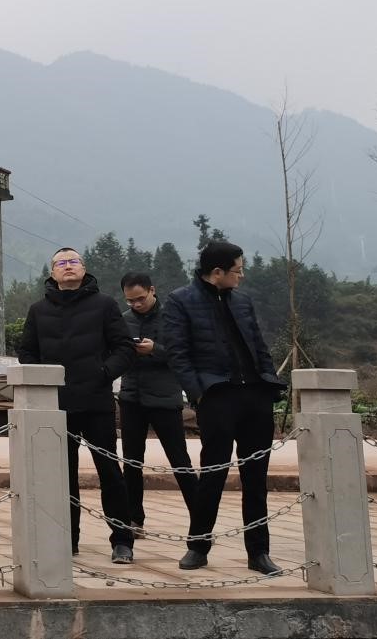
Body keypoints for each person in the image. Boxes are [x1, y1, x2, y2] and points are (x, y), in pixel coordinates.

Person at [161, 241, 287, 576]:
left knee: (256, 478)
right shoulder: (180, 301)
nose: (241, 276)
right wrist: (199, 394)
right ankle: (198, 546)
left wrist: (269, 382)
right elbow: (177, 353)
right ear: (217, 272)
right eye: (237, 270)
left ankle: (259, 552)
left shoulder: (243, 301)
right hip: (216, 396)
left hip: (255, 396)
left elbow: (259, 346)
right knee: (213, 474)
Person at [18, 247, 137, 563]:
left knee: (110, 473)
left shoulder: (105, 305)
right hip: (56, 406)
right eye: (61, 263)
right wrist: (44, 380)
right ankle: (66, 540)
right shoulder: (38, 310)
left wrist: (104, 373)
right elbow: (26, 352)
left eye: (73, 261)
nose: (68, 266)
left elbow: (124, 348)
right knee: (61, 477)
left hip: (96, 402)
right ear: (52, 272)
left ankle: (122, 541)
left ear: (84, 269)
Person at [118, 272, 197, 532]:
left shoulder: (172, 318)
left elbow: (183, 355)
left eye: (140, 298)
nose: (136, 304)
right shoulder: (124, 320)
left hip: (165, 398)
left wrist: (155, 350)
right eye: (130, 301)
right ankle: (133, 518)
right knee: (131, 461)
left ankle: (201, 519)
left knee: (179, 460)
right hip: (131, 398)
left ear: (152, 290)